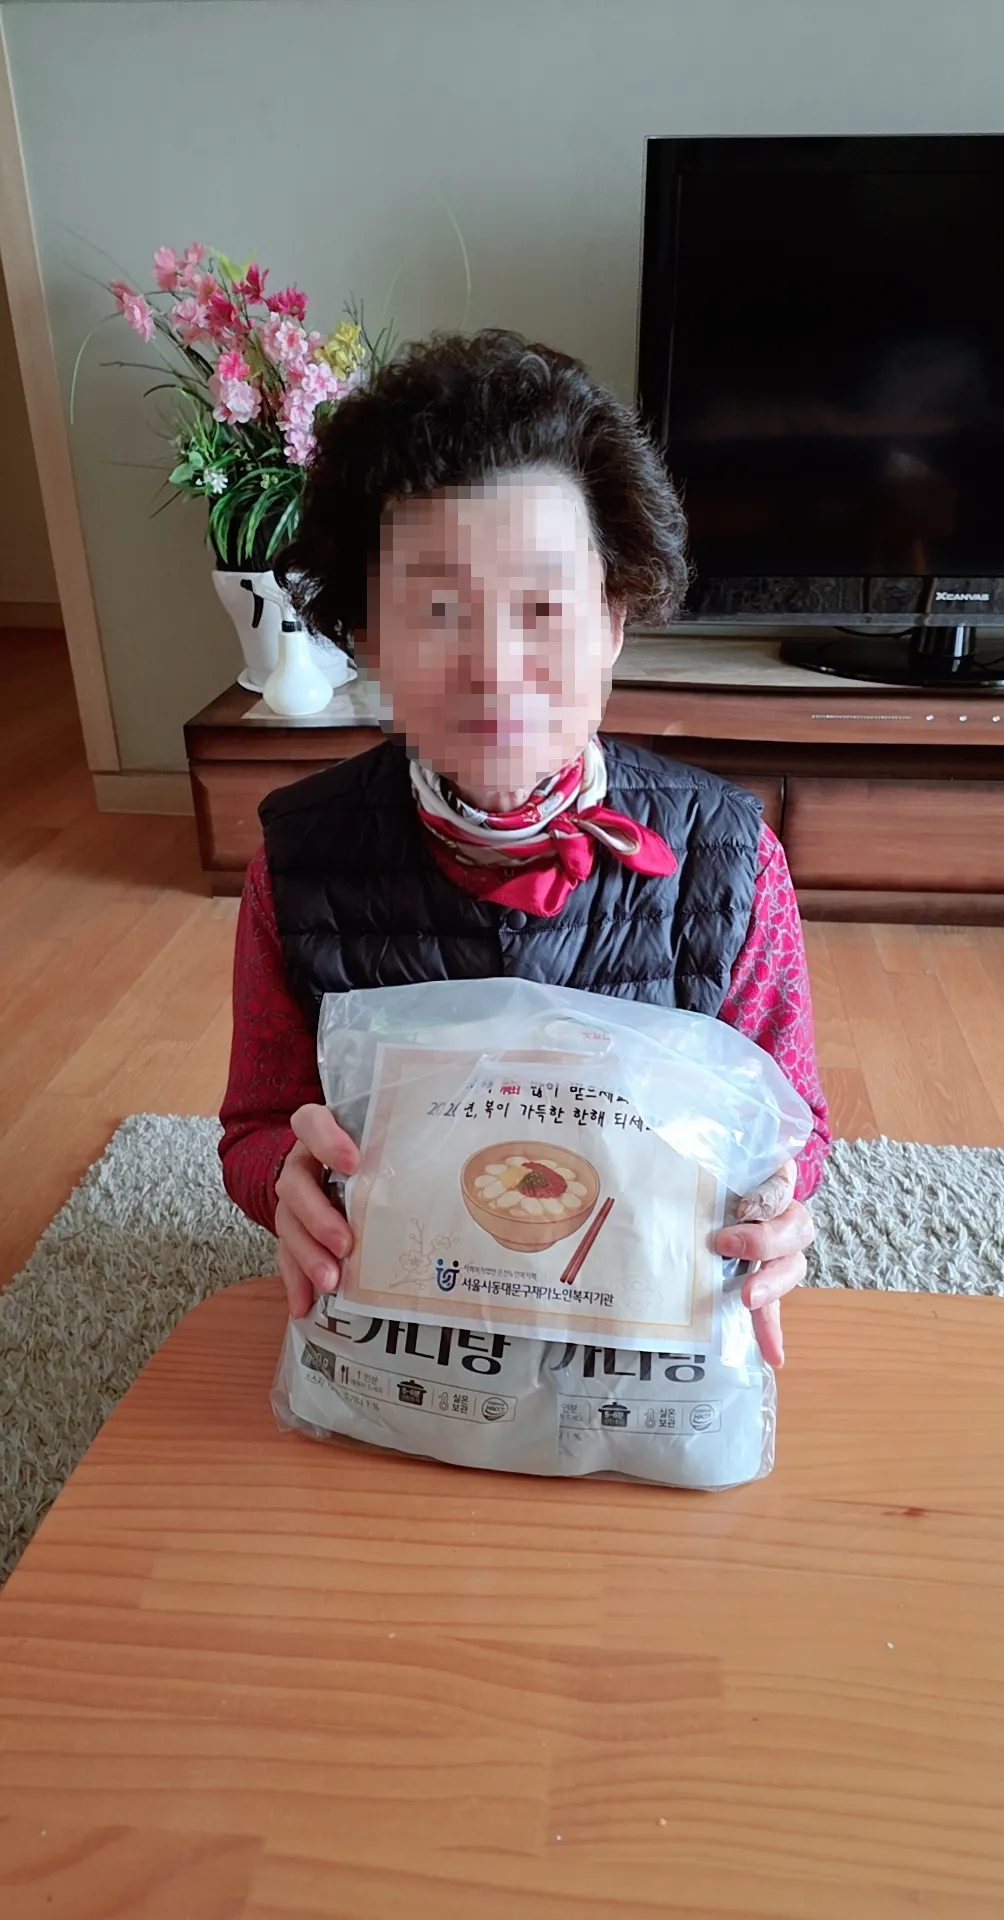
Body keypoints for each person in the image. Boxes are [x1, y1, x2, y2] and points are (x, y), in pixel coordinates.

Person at [219, 329, 829, 1369]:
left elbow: (795, 1126)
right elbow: (256, 1128)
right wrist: (289, 1177)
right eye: (437, 610)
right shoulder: (298, 864)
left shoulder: (729, 860)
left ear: (614, 621)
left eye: (543, 608)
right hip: (408, 1329)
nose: (495, 668)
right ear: (368, 636)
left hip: (634, 1326)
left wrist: (776, 1203)